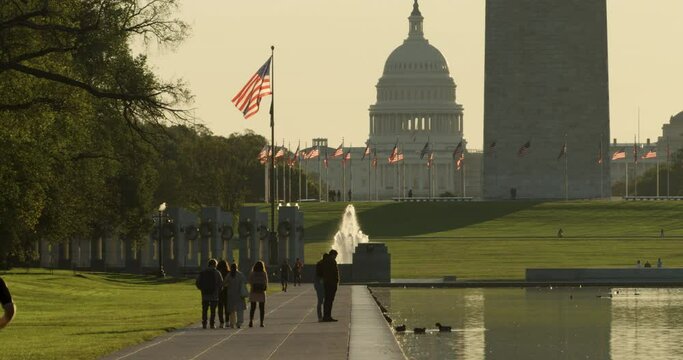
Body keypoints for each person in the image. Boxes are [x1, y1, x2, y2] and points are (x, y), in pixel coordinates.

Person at [195, 259, 224, 329]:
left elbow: (197, 282)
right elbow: (221, 283)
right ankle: (212, 324)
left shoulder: (203, 272)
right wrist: (218, 291)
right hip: (214, 294)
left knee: (204, 310)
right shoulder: (217, 272)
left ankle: (204, 323)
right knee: (213, 310)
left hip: (205, 294)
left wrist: (202, 289)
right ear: (215, 265)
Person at [224, 263, 247, 328]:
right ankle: (239, 322)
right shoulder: (240, 274)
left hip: (231, 294)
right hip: (239, 294)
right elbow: (245, 282)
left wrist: (228, 285)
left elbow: (224, 283)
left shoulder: (229, 275)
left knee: (232, 310)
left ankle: (232, 323)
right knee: (240, 309)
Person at [248, 261, 269, 327]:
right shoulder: (264, 273)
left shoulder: (252, 273)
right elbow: (266, 282)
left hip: (254, 291)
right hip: (261, 292)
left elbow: (250, 281)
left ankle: (251, 321)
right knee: (262, 308)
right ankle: (261, 322)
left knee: (253, 307)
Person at [322, 249, 340, 322]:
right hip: (331, 283)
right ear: (333, 255)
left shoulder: (326, 261)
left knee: (327, 300)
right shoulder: (331, 261)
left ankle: (326, 316)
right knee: (329, 300)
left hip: (327, 283)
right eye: (335, 256)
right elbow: (333, 272)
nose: (335, 257)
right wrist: (335, 281)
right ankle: (327, 316)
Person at [314, 254, 328, 321]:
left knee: (320, 301)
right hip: (320, 285)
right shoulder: (322, 264)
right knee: (321, 301)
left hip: (319, 285)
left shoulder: (320, 264)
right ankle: (322, 317)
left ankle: (320, 317)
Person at [216, 260, 230, 328]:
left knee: (220, 308)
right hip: (227, 292)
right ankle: (227, 321)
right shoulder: (228, 273)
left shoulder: (217, 273)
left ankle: (221, 322)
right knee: (227, 307)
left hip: (219, 292)